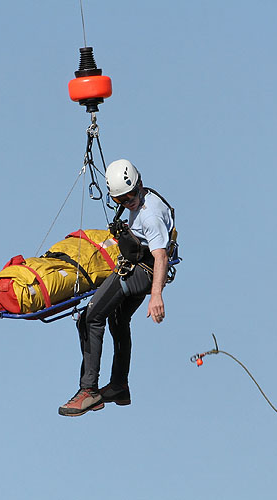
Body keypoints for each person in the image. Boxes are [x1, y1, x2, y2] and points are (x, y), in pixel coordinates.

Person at [59, 159, 175, 417]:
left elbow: (161, 256)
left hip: (142, 271)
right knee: (118, 318)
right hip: (141, 267)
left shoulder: (150, 214)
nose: (128, 202)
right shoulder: (143, 199)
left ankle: (88, 391)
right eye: (122, 200)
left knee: (90, 318)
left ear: (139, 185)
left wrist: (156, 296)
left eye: (132, 196)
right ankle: (120, 386)